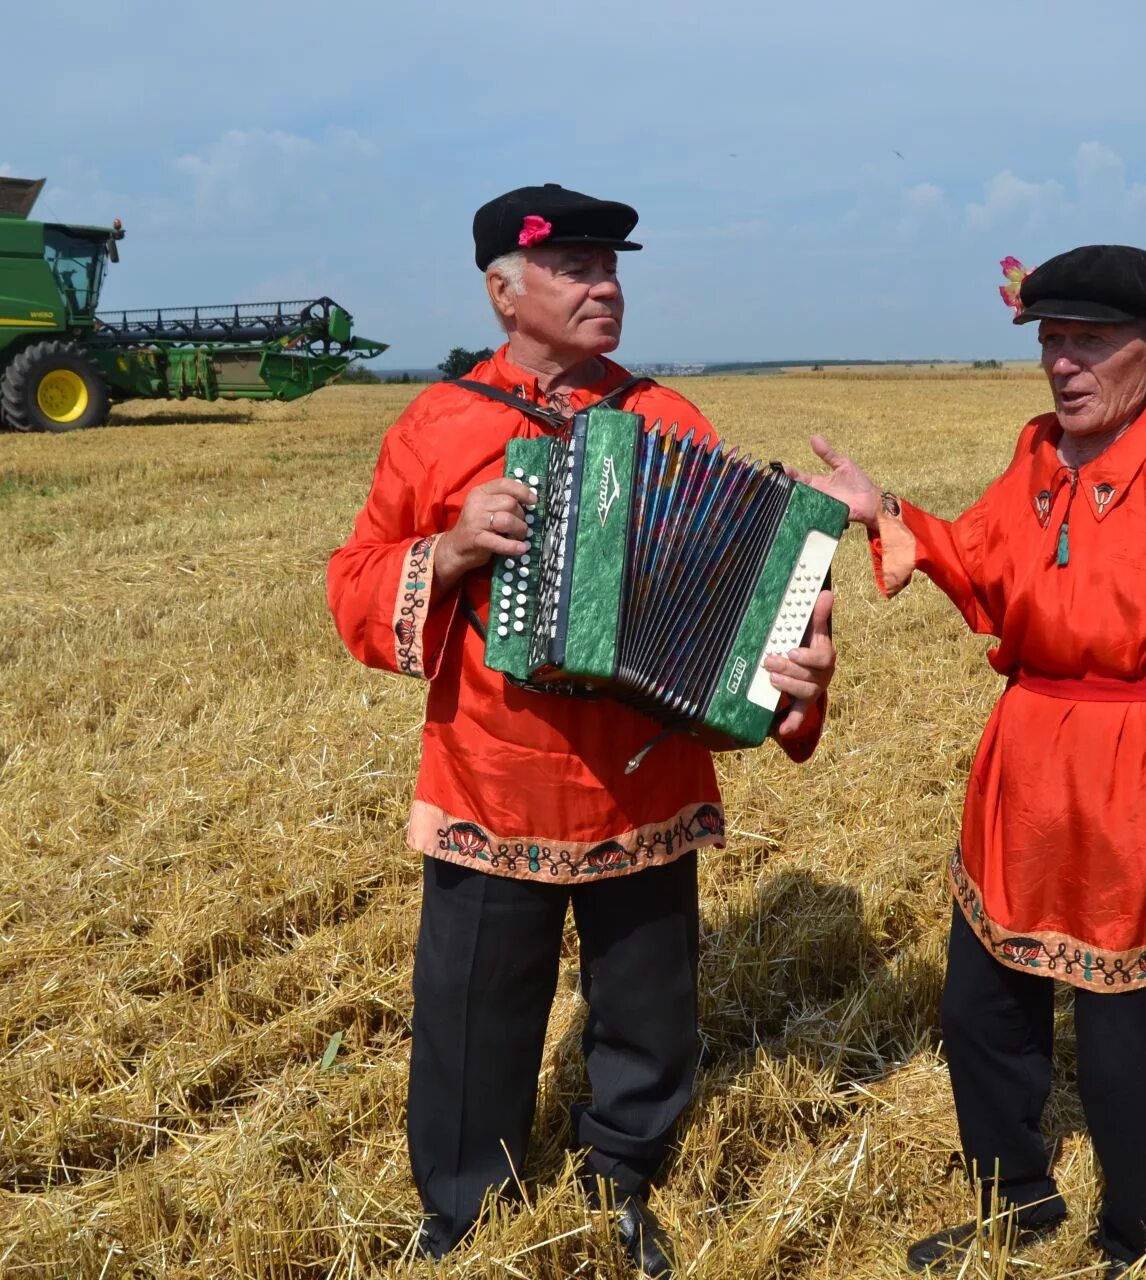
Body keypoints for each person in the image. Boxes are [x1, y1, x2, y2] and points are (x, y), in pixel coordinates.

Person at [801, 245, 1146, 1277]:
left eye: (1089, 340)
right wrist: (885, 509)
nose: (1063, 363)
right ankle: (1017, 1203)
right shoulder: (1035, 459)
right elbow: (976, 562)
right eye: (1051, 339)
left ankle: (1130, 1233)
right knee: (979, 1007)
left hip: (1141, 767)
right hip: (1023, 762)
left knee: (1122, 1036)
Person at [325, 184, 836, 1277]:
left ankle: (622, 1178)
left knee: (648, 1013)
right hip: (489, 770)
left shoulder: (670, 421)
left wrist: (792, 658)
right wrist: (454, 550)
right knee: (473, 1012)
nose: (605, 285)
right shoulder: (440, 423)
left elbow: (748, 581)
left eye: (613, 267)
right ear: (503, 289)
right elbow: (353, 583)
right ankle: (463, 1206)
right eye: (576, 268)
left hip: (639, 774)